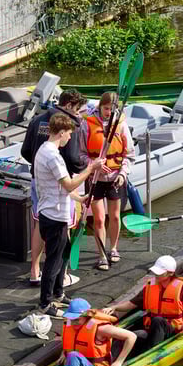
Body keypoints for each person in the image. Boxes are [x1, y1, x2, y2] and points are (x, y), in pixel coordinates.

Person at [33, 113, 105, 317]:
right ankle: (45, 303)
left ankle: (58, 292)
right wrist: (91, 168)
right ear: (61, 132)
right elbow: (69, 184)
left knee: (64, 254)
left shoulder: (45, 150)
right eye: (69, 134)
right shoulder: (52, 156)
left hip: (55, 213)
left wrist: (79, 199)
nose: (70, 138)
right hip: (54, 216)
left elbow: (62, 187)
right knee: (54, 260)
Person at [21, 88, 87, 288]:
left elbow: (25, 151)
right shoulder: (69, 125)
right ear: (69, 105)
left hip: (37, 179)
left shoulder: (36, 120)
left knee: (38, 222)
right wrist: (87, 167)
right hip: (61, 183)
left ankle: (34, 271)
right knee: (64, 226)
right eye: (77, 109)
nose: (78, 114)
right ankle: (61, 276)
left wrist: (40, 166)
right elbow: (74, 159)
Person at [102, 255, 183, 354]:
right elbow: (131, 304)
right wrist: (114, 307)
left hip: (172, 330)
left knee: (158, 320)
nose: (156, 274)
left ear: (170, 273)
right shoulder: (151, 286)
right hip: (152, 328)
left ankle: (148, 353)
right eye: (155, 271)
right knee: (134, 334)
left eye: (159, 273)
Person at [79, 91, 135, 271]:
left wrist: (123, 174)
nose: (108, 112)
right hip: (94, 178)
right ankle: (102, 255)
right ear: (100, 107)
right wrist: (93, 165)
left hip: (115, 178)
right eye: (105, 108)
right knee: (99, 219)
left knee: (115, 216)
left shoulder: (121, 125)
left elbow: (129, 154)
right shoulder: (86, 124)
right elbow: (81, 154)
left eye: (111, 109)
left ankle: (114, 248)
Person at [52, 298, 136, 366]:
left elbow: (131, 336)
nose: (73, 323)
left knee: (73, 355)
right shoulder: (69, 324)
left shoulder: (101, 329)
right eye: (71, 319)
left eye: (77, 320)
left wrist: (119, 362)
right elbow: (69, 341)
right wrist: (64, 353)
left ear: (87, 316)